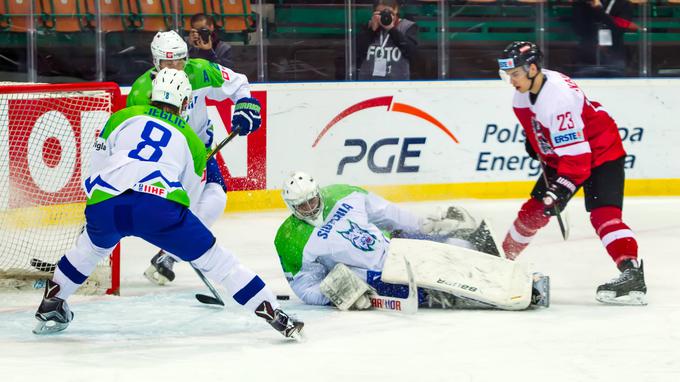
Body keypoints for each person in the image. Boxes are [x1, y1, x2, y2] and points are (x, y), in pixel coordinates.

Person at [32, 68, 303, 338]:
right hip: (157, 208)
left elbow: (96, 169)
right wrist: (184, 240)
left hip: (107, 203)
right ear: (185, 102)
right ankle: (274, 314)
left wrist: (99, 214)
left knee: (89, 249)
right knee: (219, 262)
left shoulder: (122, 117)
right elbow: (187, 197)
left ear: (152, 95)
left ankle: (51, 304)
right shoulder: (193, 141)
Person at [497, 41, 646, 305]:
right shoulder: (521, 96)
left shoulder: (558, 98)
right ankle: (501, 260)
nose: (511, 81)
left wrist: (560, 190)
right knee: (535, 209)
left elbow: (578, 161)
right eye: (508, 75)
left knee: (605, 216)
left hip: (602, 153)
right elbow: (537, 130)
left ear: (532, 69)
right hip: (567, 155)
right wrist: (537, 145)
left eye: (515, 74)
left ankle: (632, 273)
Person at [273, 171, 550, 311]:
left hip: (393, 249)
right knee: (440, 292)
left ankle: (507, 270)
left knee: (449, 256)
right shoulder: (289, 238)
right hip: (369, 276)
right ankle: (514, 296)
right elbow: (305, 286)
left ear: (318, 192)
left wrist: (422, 226)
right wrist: (336, 294)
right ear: (291, 205)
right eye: (302, 205)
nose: (309, 207)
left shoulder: (344, 194)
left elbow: (387, 214)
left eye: (312, 200)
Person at [127, 30, 261, 286]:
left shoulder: (200, 71)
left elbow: (239, 83)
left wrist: (245, 105)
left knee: (215, 200)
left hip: (199, 151)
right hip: (164, 159)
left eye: (179, 60)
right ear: (156, 61)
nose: (175, 67)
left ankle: (168, 255)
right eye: (168, 62)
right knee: (158, 211)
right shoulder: (141, 91)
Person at [571, 0, 638, 77]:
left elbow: (619, 29)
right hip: (587, 58)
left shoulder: (624, 4)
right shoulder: (581, 3)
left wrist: (598, 9)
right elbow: (579, 30)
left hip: (614, 58)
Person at [357, 0, 418, 81]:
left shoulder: (407, 26)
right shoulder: (369, 25)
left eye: (388, 13)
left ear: (396, 11)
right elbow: (357, 52)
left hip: (397, 82)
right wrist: (371, 31)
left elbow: (411, 52)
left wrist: (391, 29)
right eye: (380, 13)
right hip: (369, 81)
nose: (385, 16)